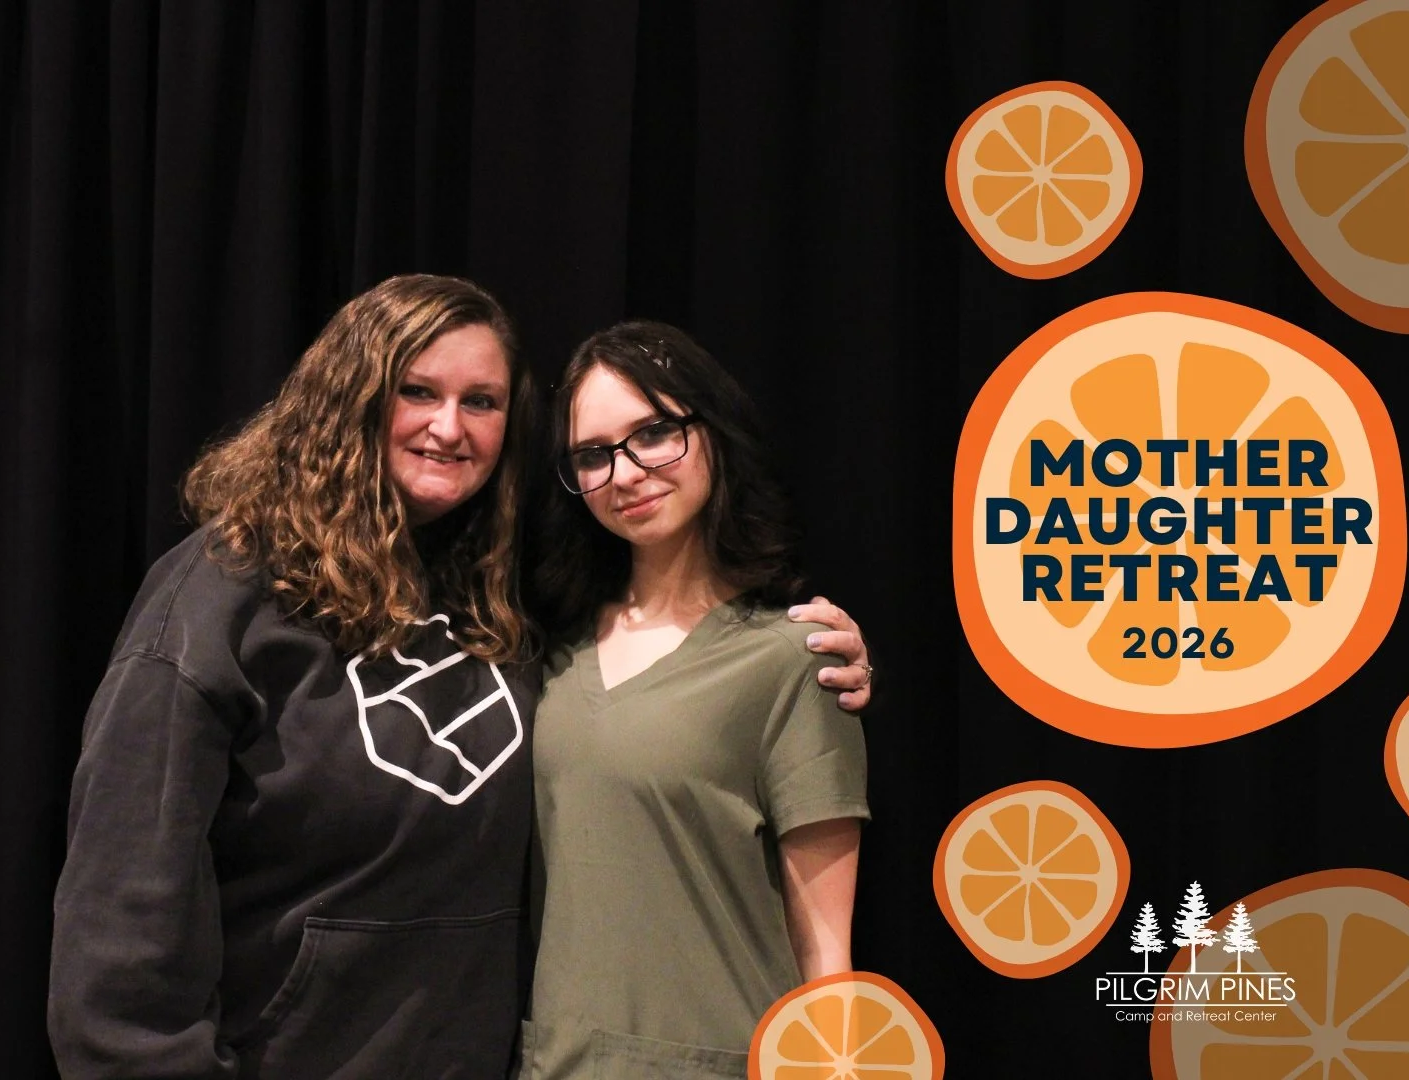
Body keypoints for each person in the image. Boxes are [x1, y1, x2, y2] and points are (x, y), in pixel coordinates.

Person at [47, 276, 874, 1079]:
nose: (449, 427)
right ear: (349, 399)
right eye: (417, 391)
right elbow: (124, 906)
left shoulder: (506, 596)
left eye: (481, 401)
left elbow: (680, 671)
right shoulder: (221, 595)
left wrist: (813, 652)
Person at [519, 322, 869, 1079]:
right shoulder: (548, 654)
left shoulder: (794, 660)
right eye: (593, 454)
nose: (625, 472)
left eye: (653, 433)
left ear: (714, 430)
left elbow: (826, 952)